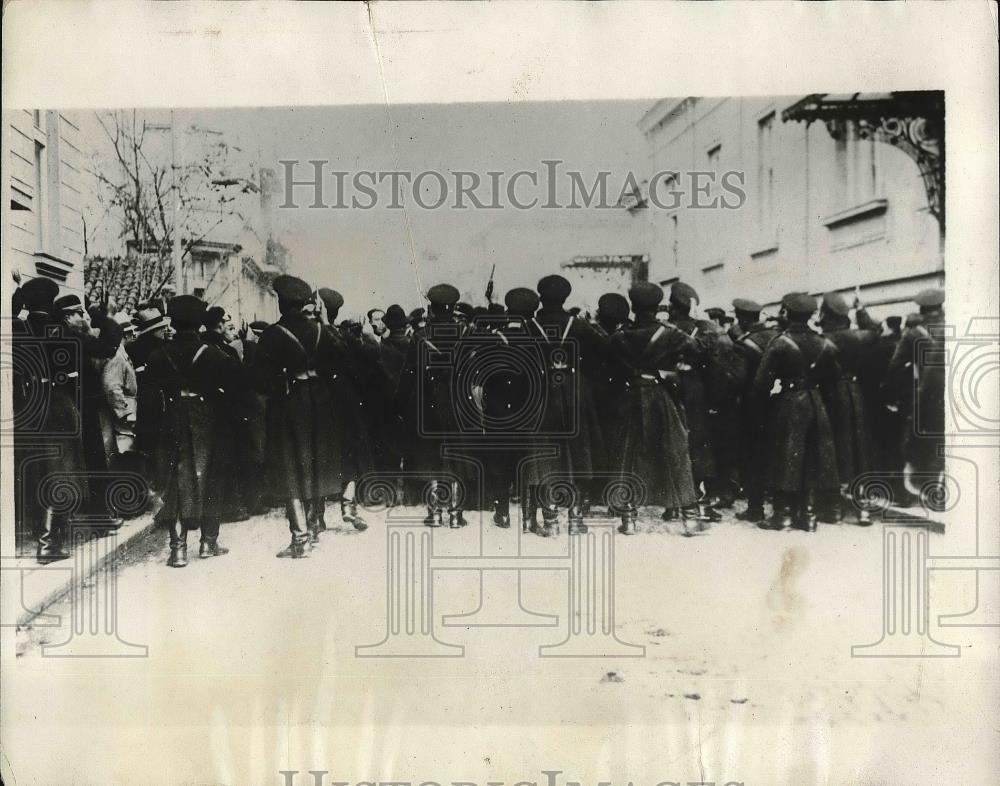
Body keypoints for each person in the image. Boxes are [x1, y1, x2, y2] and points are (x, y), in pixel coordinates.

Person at [251, 277, 352, 557]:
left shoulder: (273, 335)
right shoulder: (322, 330)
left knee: (291, 468)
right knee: (315, 463)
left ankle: (300, 538)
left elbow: (259, 380)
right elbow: (343, 359)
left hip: (290, 404)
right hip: (321, 404)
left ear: (282, 303)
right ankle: (315, 526)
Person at [144, 295, 245, 566]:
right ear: (201, 323)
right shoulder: (215, 355)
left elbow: (150, 400)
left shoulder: (158, 356)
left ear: (173, 323)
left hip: (172, 420)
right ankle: (207, 543)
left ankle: (177, 549)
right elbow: (236, 391)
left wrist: (148, 435)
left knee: (175, 482)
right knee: (211, 476)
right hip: (208, 420)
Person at [522, 274, 608, 536]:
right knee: (578, 453)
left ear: (541, 297)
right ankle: (575, 518)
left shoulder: (530, 326)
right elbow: (603, 350)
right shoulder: (578, 325)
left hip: (542, 393)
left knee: (544, 456)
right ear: (565, 298)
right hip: (574, 391)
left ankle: (549, 521)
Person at [611, 283, 699, 534]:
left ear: (633, 307)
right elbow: (697, 350)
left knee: (627, 453)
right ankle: (690, 518)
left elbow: (609, 361)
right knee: (676, 452)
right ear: (657, 306)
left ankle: (628, 518)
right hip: (660, 397)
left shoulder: (620, 336)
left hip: (629, 397)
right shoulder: (670, 334)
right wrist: (674, 368)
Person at [13, 277, 89, 561]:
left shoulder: (18, 328)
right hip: (57, 406)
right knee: (61, 472)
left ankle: (40, 535)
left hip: (28, 407)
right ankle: (48, 543)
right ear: (50, 302)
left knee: (37, 471)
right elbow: (74, 371)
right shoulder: (59, 331)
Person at [752, 293, 841, 532]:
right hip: (817, 403)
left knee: (785, 455)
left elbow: (761, 383)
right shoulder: (825, 344)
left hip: (789, 403)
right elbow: (834, 382)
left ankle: (782, 514)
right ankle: (809, 514)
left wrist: (762, 408)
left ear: (785, 313)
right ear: (812, 315)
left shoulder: (780, 343)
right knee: (812, 456)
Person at [395, 283, 474, 528]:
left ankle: (435, 512)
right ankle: (456, 514)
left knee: (431, 455)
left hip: (429, 403)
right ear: (452, 307)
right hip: (458, 402)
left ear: (432, 306)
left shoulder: (420, 337)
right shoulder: (465, 333)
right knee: (457, 455)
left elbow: (408, 375)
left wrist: (399, 405)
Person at [818, 291, 878, 524]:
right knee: (859, 446)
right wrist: (860, 310)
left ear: (825, 314)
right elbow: (875, 331)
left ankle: (834, 507)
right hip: (855, 394)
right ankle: (863, 507)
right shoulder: (858, 337)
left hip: (830, 396)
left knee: (832, 447)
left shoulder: (823, 339)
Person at [666, 282, 721, 522]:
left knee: (672, 442)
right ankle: (701, 501)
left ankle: (673, 503)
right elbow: (713, 365)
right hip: (696, 391)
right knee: (699, 444)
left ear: (673, 306)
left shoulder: (667, 329)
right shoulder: (704, 330)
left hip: (669, 387)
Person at [885, 288, 946, 489]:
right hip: (954, 392)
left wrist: (890, 395)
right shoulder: (955, 326)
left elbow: (894, 366)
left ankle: (928, 485)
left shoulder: (913, 333)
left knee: (923, 438)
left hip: (926, 394)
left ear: (921, 309)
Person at [729, 298, 779, 523]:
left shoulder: (743, 344)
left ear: (740, 318)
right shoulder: (775, 337)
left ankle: (755, 507)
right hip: (780, 403)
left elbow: (737, 380)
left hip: (753, 407)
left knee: (753, 456)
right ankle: (781, 507)